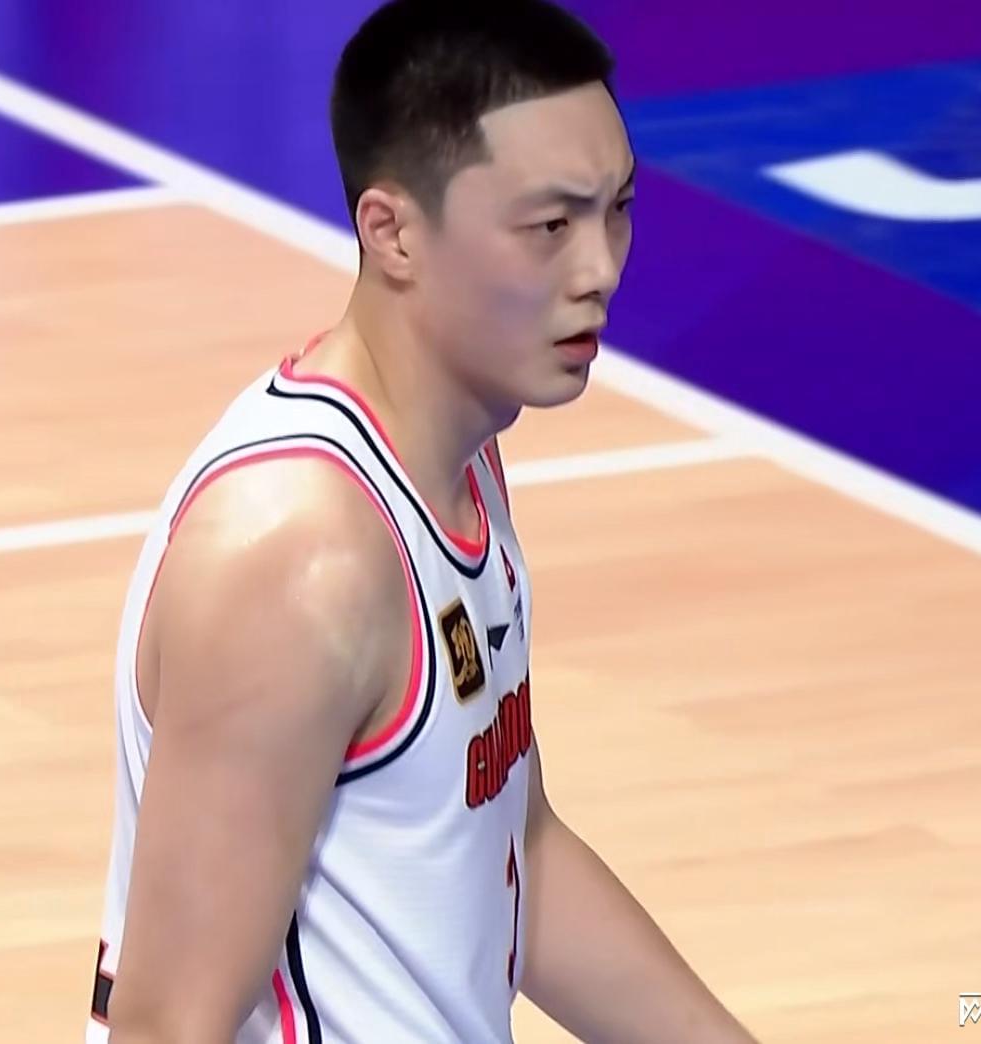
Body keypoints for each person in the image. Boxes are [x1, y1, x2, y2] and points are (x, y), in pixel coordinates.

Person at [89, 1, 758, 1040]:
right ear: (393, 232)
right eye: (550, 226)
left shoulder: (455, 450)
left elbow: (516, 849)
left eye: (617, 208)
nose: (601, 268)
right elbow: (165, 1027)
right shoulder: (304, 560)